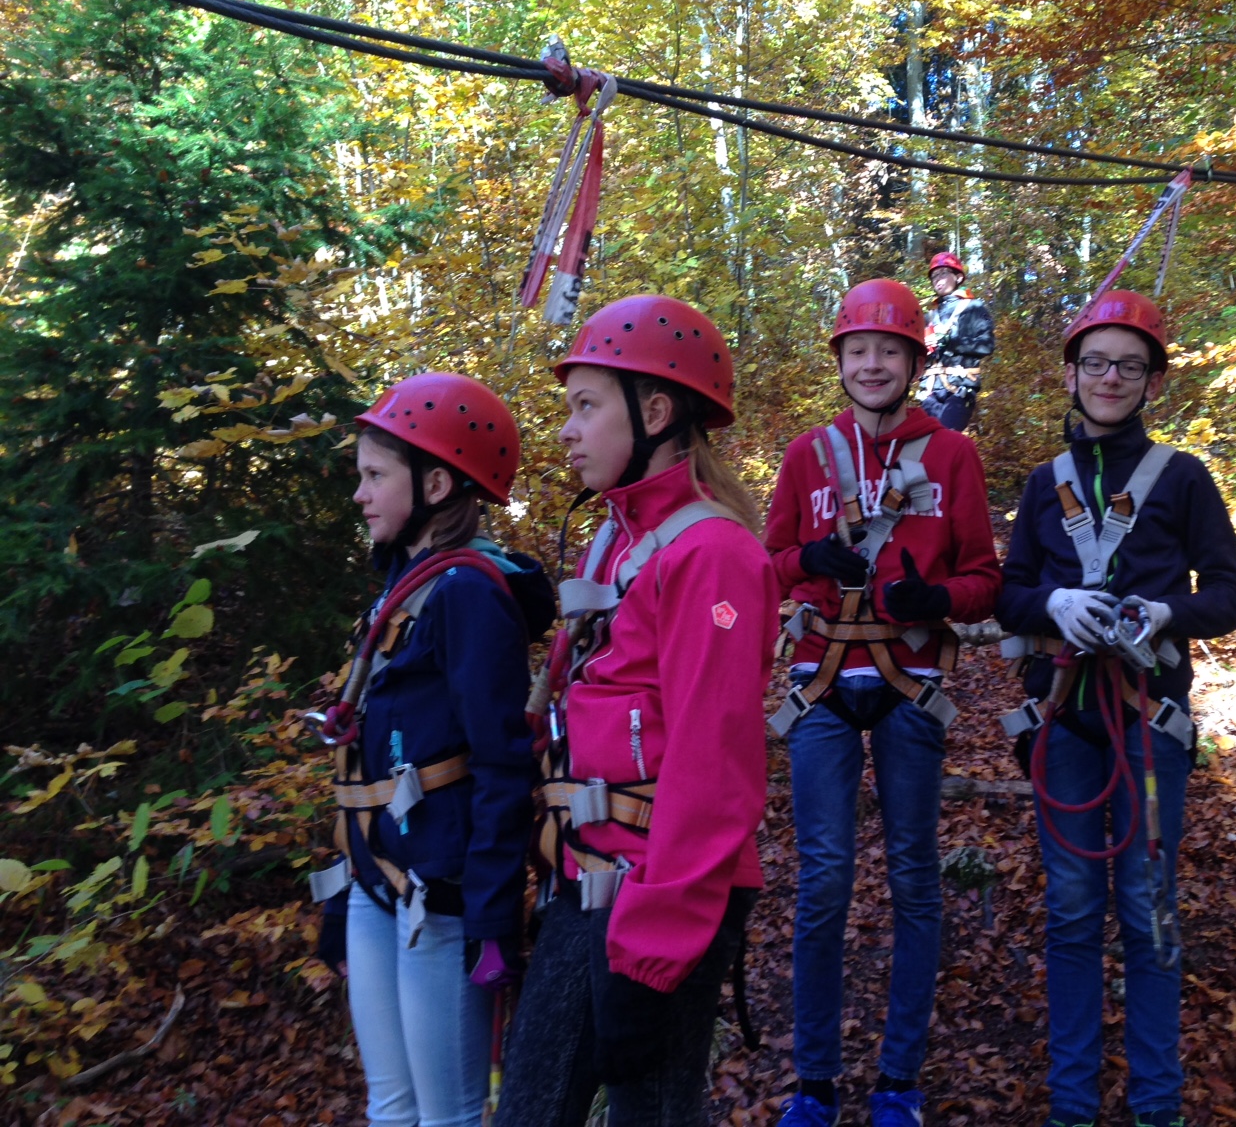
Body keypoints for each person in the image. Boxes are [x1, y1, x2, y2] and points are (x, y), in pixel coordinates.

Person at [495, 294, 778, 1127]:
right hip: (587, 877)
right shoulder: (616, 539)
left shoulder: (713, 555)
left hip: (659, 897)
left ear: (654, 413)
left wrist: (653, 952)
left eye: (586, 406)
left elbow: (713, 766)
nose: (567, 431)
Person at [994, 291, 1236, 1127]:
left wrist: (1167, 612)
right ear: (1072, 374)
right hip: (1064, 718)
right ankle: (1073, 1105)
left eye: (1130, 367)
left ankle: (1156, 1105)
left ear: (1152, 383)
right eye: (1097, 363)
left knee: (1147, 908)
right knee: (1072, 909)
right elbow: (1008, 593)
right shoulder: (1046, 484)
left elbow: (1231, 596)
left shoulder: (1183, 478)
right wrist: (1054, 604)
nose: (1111, 378)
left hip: (1148, 720)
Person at [764, 278, 1002, 1127]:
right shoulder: (807, 456)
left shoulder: (951, 456)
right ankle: (815, 1083)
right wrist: (809, 561)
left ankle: (899, 1079)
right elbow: (766, 567)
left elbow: (985, 579)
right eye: (858, 350)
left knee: (913, 877)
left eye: (889, 350)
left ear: (913, 361)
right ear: (840, 360)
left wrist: (937, 600)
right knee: (824, 880)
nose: (872, 363)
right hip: (821, 683)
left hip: (910, 685)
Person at [311, 372, 550, 1127]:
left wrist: (490, 916)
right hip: (376, 883)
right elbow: (368, 762)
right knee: (390, 1108)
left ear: (436, 484)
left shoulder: (467, 596)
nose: (360, 494)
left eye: (375, 476)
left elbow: (502, 764)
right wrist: (342, 896)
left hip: (440, 898)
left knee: (448, 1117)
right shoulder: (402, 589)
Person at [916, 251, 994, 432]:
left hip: (960, 389)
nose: (938, 279)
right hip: (930, 391)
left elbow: (987, 345)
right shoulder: (930, 316)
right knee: (925, 441)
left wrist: (951, 341)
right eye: (934, 276)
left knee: (946, 438)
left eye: (943, 273)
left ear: (958, 277)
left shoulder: (974, 308)